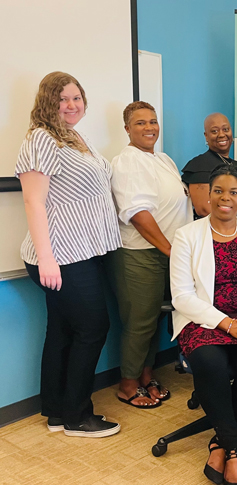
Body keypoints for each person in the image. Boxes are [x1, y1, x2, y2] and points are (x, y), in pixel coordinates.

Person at [15, 71, 121, 437]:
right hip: (61, 255)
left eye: (76, 97)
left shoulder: (74, 136)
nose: (72, 105)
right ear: (48, 102)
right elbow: (33, 200)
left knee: (63, 331)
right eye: (63, 99)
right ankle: (78, 416)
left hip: (81, 250)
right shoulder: (41, 139)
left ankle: (58, 411)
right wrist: (47, 258)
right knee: (94, 328)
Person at [170, 165, 237, 485]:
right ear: (208, 194)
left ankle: (220, 442)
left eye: (233, 192)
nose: (225, 198)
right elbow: (181, 295)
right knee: (208, 362)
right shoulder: (186, 235)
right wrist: (224, 323)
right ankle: (233, 447)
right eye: (218, 190)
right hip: (204, 319)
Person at [108, 101, 192, 408]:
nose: (149, 127)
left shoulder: (163, 159)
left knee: (154, 319)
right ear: (127, 129)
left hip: (165, 253)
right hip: (140, 254)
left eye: (153, 121)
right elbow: (138, 214)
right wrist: (170, 250)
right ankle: (128, 383)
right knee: (139, 321)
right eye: (140, 123)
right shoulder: (127, 162)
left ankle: (145, 376)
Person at [181, 113, 237, 221]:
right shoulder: (199, 166)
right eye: (214, 131)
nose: (221, 134)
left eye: (226, 129)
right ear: (206, 136)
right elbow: (204, 210)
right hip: (222, 235)